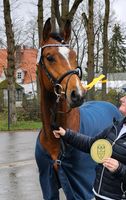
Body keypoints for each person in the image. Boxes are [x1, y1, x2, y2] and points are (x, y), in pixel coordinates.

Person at [53, 96, 126, 200]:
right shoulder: (116, 126)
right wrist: (66, 134)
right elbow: (91, 144)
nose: (122, 99)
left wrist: (119, 169)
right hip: (97, 194)